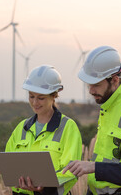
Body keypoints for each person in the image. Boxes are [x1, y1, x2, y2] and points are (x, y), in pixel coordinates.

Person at [63, 46, 121, 195]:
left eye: (96, 85)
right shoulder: (107, 108)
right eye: (89, 84)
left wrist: (94, 167)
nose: (91, 90)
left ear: (114, 80)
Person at [6, 65, 82, 195]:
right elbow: (8, 167)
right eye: (31, 96)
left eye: (41, 98)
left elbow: (71, 171)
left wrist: (45, 187)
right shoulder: (21, 128)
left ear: (54, 96)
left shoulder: (68, 128)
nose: (35, 102)